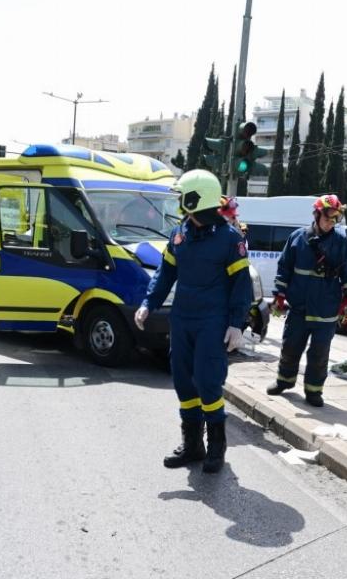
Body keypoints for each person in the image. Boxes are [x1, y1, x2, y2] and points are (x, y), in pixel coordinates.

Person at [135, 170, 252, 474]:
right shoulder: (179, 234)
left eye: (181, 196)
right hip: (183, 319)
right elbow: (165, 274)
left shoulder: (229, 238)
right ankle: (192, 446)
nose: (178, 202)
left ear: (196, 198)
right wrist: (149, 303)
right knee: (184, 380)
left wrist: (237, 323)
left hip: (212, 321)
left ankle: (216, 448)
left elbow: (241, 284)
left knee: (208, 381)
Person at [266, 194, 347, 407]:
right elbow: (284, 267)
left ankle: (314, 390)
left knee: (319, 353)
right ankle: (284, 381)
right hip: (299, 306)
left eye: (335, 219)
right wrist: (279, 295)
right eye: (327, 218)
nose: (330, 223)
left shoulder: (341, 242)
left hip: (326, 309)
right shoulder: (297, 238)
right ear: (317, 215)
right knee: (290, 346)